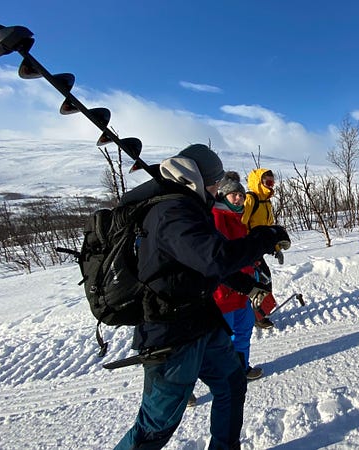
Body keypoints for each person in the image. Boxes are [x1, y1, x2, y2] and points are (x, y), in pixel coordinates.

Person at [114, 144, 289, 450]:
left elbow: (204, 264)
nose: (215, 189)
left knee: (233, 385)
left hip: (201, 321)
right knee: (158, 424)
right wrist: (266, 236)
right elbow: (214, 258)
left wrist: (247, 287)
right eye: (214, 182)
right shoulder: (172, 213)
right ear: (195, 176)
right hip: (170, 332)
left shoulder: (188, 207)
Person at [211, 171, 264, 381]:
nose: (239, 198)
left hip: (243, 290)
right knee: (219, 340)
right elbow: (219, 257)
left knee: (243, 331)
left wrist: (253, 261)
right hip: (222, 292)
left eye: (241, 195)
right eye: (235, 195)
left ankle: (241, 369)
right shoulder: (216, 217)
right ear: (223, 195)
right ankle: (210, 379)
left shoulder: (237, 219)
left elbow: (240, 250)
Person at [242, 168, 283, 329]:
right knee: (261, 281)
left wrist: (276, 247)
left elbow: (269, 227)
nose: (271, 185)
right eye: (268, 182)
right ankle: (257, 317)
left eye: (272, 182)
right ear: (259, 182)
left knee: (264, 279)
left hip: (260, 248)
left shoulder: (267, 201)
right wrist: (245, 247)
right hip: (250, 249)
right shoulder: (250, 199)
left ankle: (258, 313)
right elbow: (242, 223)